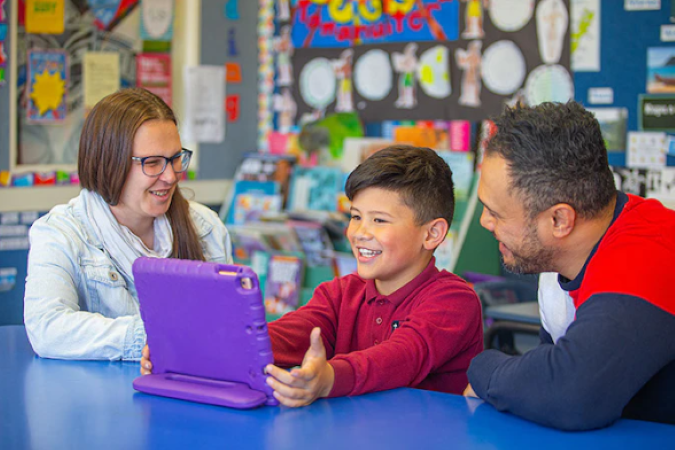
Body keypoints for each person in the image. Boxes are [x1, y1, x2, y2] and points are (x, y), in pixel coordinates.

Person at [142, 145, 483, 407]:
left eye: (379, 220)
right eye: (355, 216)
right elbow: (286, 335)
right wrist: (196, 348)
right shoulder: (340, 293)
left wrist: (329, 377)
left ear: (432, 233)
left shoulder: (454, 300)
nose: (360, 232)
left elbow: (403, 357)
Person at [465, 101, 675, 430]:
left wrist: (482, 366)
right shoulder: (557, 258)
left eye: (496, 212)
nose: (484, 221)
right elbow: (544, 374)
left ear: (559, 220)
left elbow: (569, 394)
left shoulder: (650, 254)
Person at [23, 88, 233, 361]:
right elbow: (47, 329)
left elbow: (231, 328)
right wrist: (157, 337)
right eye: (153, 163)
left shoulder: (206, 228)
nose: (170, 176)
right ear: (109, 163)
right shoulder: (60, 234)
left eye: (175, 158)